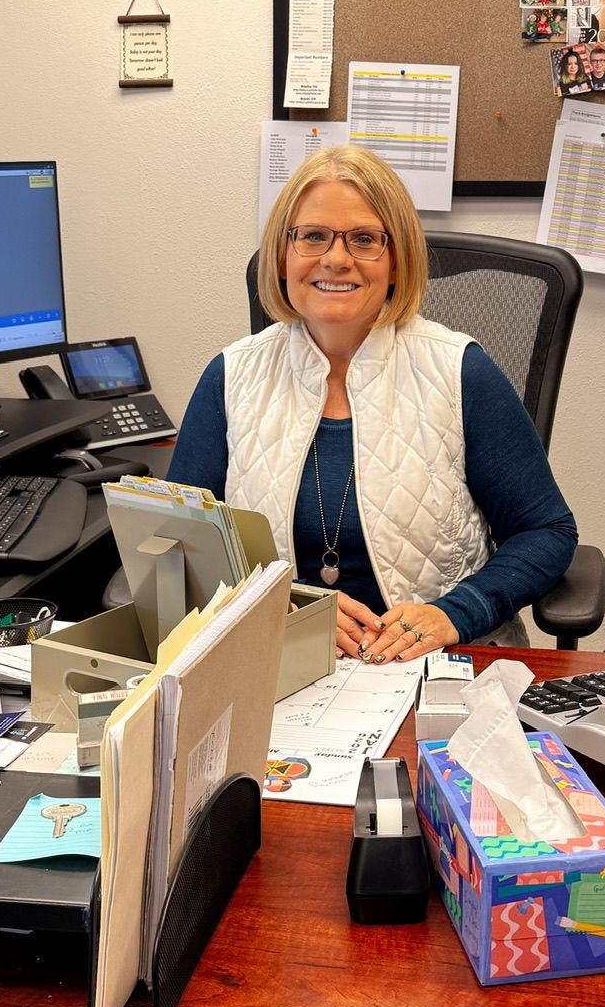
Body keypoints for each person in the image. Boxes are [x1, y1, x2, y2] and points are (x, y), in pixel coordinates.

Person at [167, 145, 578, 662]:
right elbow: (179, 548)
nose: (335, 258)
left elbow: (547, 531)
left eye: (363, 239)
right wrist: (272, 606)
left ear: (396, 261)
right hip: (277, 664)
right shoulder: (231, 377)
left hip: (434, 667)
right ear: (281, 255)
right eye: (313, 236)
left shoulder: (459, 371)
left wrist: (458, 610)